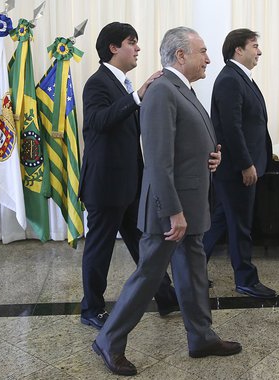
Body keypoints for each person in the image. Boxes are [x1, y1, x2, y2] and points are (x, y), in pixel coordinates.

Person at [92, 26, 242, 376]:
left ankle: (201, 337)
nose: (208, 58)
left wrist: (212, 156)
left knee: (192, 274)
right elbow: (158, 160)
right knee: (148, 276)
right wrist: (173, 211)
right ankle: (108, 340)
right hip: (169, 209)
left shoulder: (183, 89)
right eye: (202, 51)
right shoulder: (162, 91)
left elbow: (189, 143)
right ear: (180, 56)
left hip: (189, 206)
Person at [78, 22, 178, 330]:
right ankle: (91, 308)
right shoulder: (97, 83)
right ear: (113, 48)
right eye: (131, 42)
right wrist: (137, 97)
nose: (137, 48)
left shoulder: (122, 83)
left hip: (131, 184)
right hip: (105, 186)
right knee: (100, 248)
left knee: (146, 244)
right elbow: (98, 122)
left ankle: (166, 297)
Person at [202, 29, 276, 299]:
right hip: (236, 169)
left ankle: (193, 270)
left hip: (235, 167)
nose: (259, 51)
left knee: (221, 221)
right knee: (241, 225)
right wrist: (247, 164)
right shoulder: (231, 80)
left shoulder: (240, 78)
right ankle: (246, 279)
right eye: (254, 46)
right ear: (238, 50)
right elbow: (232, 128)